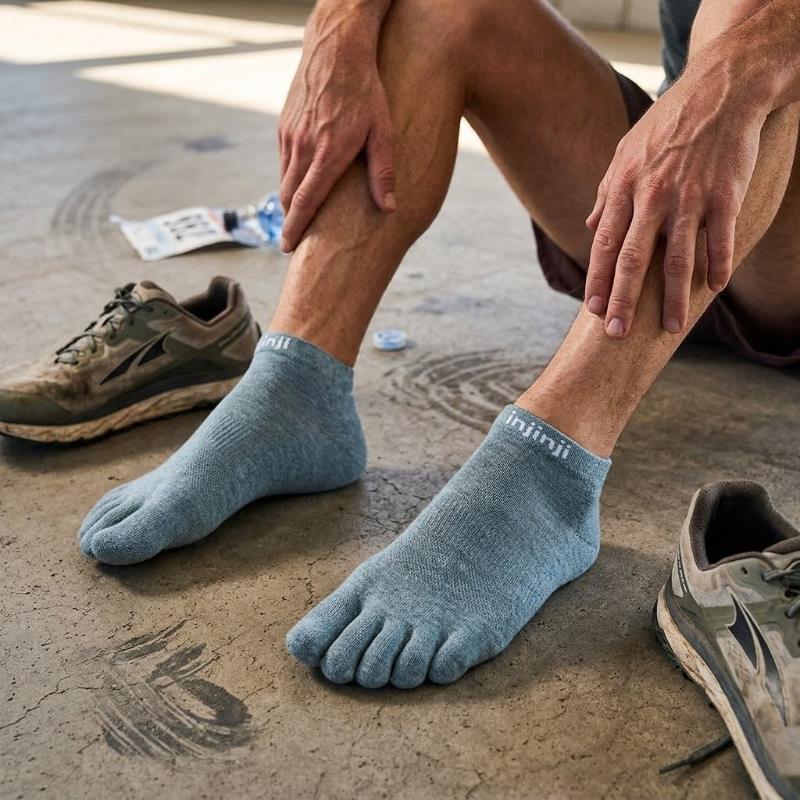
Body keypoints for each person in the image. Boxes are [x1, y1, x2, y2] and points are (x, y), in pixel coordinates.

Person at [80, 0, 800, 689]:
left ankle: (549, 473)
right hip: (676, 195)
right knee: (428, 6)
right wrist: (338, 23)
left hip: (778, 210)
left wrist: (738, 72)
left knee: (751, 31)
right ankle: (296, 387)